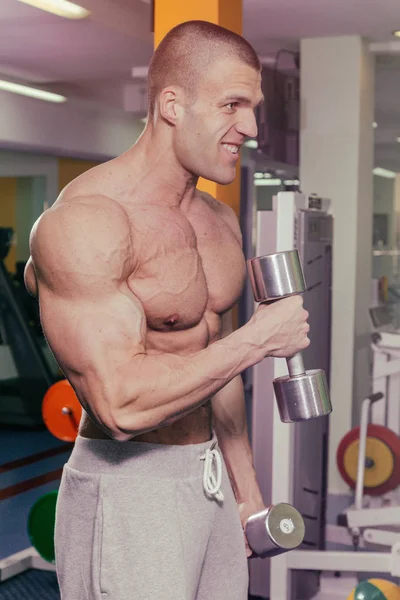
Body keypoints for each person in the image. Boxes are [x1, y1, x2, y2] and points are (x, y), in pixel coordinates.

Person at [24, 20, 310, 600]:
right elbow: (122, 403)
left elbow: (215, 363)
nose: (250, 128)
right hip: (131, 486)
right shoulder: (88, 222)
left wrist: (245, 488)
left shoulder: (218, 222)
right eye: (233, 104)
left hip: (210, 481)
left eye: (253, 108)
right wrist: (257, 339)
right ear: (172, 105)